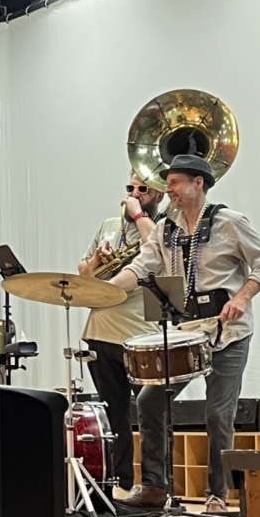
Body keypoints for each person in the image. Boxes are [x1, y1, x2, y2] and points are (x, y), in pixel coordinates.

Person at [110, 154, 260, 513]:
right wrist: (105, 291)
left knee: (218, 412)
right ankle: (155, 487)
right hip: (187, 332)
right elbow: (140, 267)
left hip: (228, 331)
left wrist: (244, 297)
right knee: (149, 401)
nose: (168, 190)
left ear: (197, 183)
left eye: (174, 183)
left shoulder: (230, 222)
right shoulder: (166, 228)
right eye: (167, 184)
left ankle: (217, 494)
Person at [77, 174, 164, 495]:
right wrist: (99, 257)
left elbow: (162, 252)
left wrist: (139, 215)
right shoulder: (109, 224)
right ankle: (122, 481)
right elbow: (85, 272)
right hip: (100, 329)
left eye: (143, 190)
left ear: (158, 196)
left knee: (151, 411)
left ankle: (155, 484)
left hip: (141, 334)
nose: (135, 194)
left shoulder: (163, 225)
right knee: (115, 413)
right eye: (130, 189)